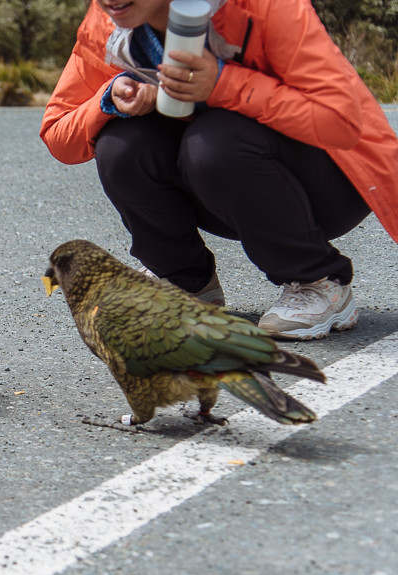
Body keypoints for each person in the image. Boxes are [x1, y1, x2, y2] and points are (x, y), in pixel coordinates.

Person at [40, 0, 398, 340]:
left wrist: (223, 84)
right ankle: (186, 283)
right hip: (218, 181)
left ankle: (319, 281)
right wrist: (111, 96)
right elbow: (58, 133)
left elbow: (341, 123)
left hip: (329, 183)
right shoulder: (110, 20)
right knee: (121, 145)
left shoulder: (264, 6)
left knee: (212, 142)